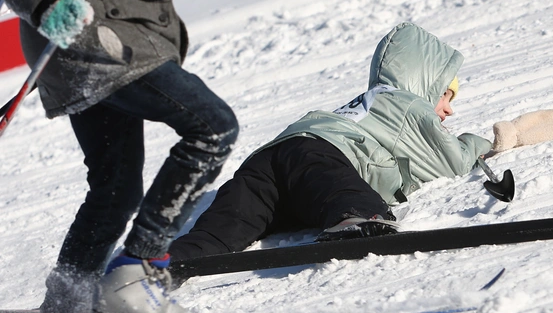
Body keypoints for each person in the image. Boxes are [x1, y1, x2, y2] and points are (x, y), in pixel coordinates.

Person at [0, 0, 239, 313]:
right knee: (213, 127)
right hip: (94, 35)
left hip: (108, 31)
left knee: (115, 188)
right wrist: (49, 1)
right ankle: (138, 271)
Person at [168, 22, 492, 268]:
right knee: (339, 188)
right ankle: (355, 219)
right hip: (317, 156)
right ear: (424, 81)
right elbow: (450, 163)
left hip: (270, 162)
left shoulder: (374, 101)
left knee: (225, 227)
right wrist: (488, 142)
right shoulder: (405, 103)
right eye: (446, 95)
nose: (449, 108)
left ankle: (161, 269)